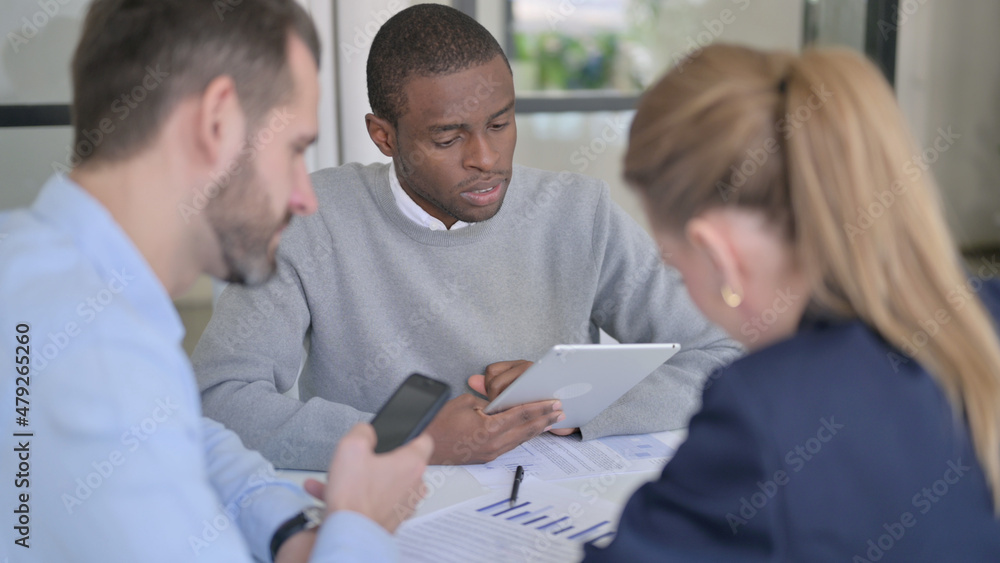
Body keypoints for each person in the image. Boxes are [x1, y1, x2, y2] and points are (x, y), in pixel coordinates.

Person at [192, 3, 741, 470]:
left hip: (551, 509)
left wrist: (572, 405)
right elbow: (220, 401)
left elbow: (726, 353)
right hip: (387, 520)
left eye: (500, 125)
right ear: (383, 136)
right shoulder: (308, 219)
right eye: (449, 138)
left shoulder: (580, 212)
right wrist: (415, 439)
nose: (486, 159)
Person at [0, 1, 431, 561]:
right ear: (217, 122)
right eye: (295, 149)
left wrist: (290, 531)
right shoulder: (96, 359)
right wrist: (359, 527)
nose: (304, 197)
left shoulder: (40, 266)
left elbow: (186, 438)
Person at [583, 44, 1000, 561]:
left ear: (719, 255)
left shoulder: (764, 413)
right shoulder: (984, 318)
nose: (682, 284)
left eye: (675, 265)